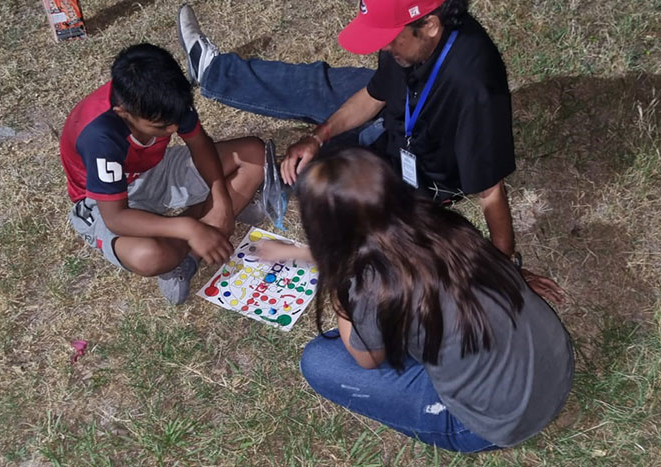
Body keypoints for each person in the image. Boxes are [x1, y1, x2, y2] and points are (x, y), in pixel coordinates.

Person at [176, 0, 565, 304]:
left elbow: (491, 192)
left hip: (419, 171)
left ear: (429, 25)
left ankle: (278, 183)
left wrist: (505, 270)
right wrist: (319, 134)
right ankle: (213, 72)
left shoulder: (472, 88)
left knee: (321, 181)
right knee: (320, 87)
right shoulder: (410, 43)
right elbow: (375, 93)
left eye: (389, 37)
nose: (383, 46)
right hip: (397, 121)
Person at [257, 147, 574, 452]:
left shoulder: (371, 286)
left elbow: (368, 359)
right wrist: (297, 253)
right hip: (554, 367)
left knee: (319, 360)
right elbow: (371, 238)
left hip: (492, 423)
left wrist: (340, 278)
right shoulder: (442, 224)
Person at [60, 43, 265, 305]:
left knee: (254, 156)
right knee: (150, 256)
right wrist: (189, 227)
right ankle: (200, 229)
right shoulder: (100, 136)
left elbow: (200, 144)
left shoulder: (166, 97)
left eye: (177, 120)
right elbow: (116, 218)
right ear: (124, 113)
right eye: (160, 126)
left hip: (156, 169)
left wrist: (221, 197)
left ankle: (196, 246)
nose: (173, 128)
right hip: (103, 202)